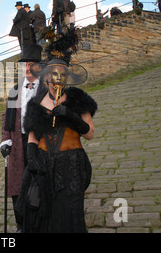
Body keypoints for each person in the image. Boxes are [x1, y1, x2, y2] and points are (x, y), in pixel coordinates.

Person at [15, 31, 98, 233]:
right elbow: (33, 136)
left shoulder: (77, 98)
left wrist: (70, 115)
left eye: (62, 74)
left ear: (67, 77)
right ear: (47, 77)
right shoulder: (36, 103)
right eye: (53, 73)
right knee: (45, 215)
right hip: (44, 166)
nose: (57, 78)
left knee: (70, 212)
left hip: (71, 164)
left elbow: (89, 133)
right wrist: (33, 159)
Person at [0, 44, 42, 233]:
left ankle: (40, 222)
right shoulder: (15, 90)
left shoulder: (46, 89)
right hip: (18, 141)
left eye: (31, 64)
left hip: (40, 143)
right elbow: (5, 117)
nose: (27, 68)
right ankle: (21, 225)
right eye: (25, 65)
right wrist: (5, 139)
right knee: (17, 185)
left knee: (38, 182)